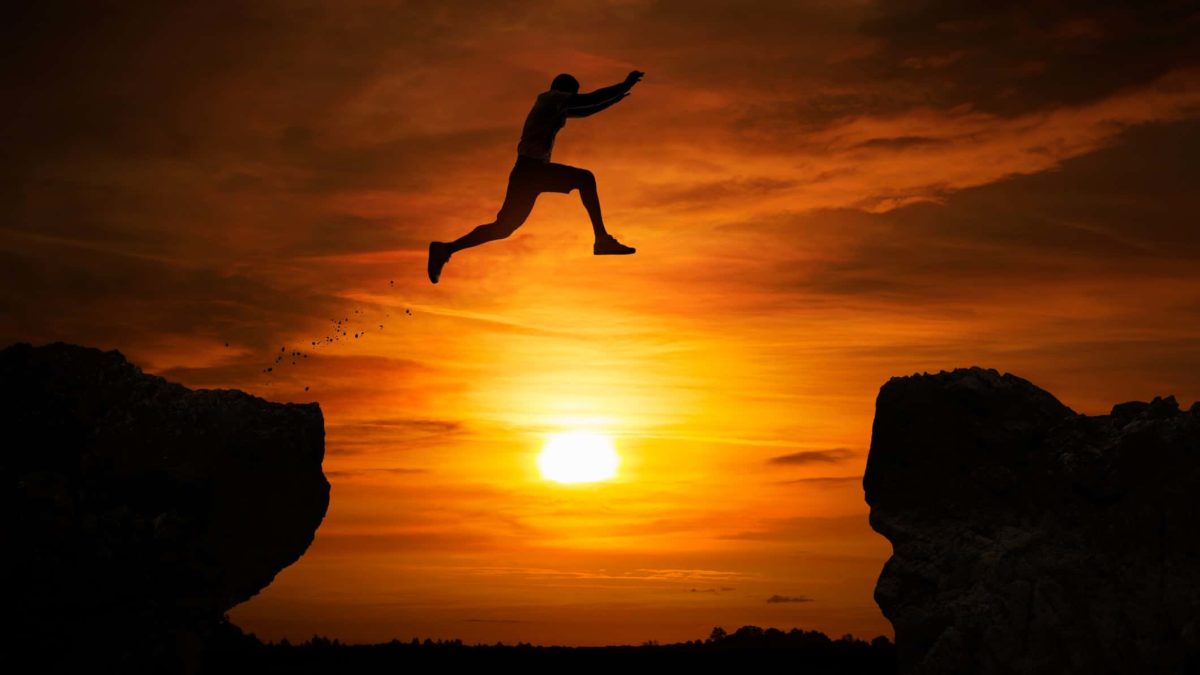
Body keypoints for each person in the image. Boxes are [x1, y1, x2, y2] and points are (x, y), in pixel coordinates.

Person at [427, 70, 645, 283]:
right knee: (585, 178)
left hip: (526, 173)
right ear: (565, 91)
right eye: (572, 94)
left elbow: (586, 109)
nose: (572, 99)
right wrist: (623, 86)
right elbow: (588, 100)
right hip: (532, 170)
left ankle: (446, 248)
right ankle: (602, 239)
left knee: (503, 228)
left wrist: (615, 99)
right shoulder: (551, 98)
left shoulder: (552, 105)